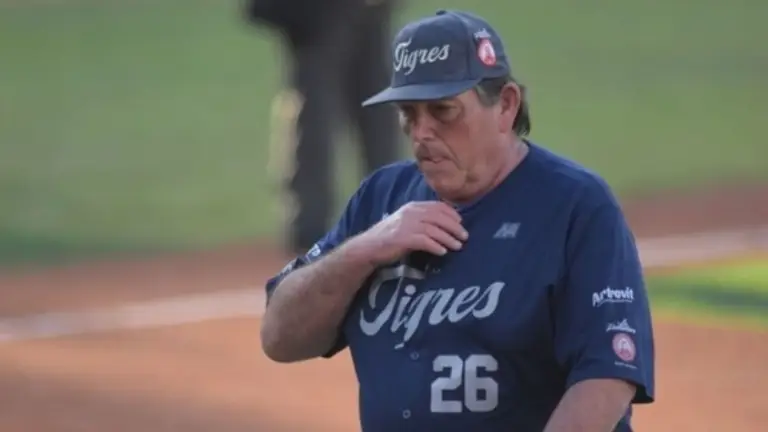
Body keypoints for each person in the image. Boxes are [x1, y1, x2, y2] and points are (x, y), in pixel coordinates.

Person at [260, 9, 655, 432]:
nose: (421, 132)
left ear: (505, 106)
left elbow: (606, 379)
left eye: (443, 110)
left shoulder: (576, 206)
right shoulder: (381, 199)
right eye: (409, 113)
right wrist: (365, 249)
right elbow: (279, 337)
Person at [245, 0, 402, 254]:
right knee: (316, 118)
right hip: (317, 15)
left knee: (380, 117)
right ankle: (309, 228)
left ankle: (390, 211)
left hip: (368, 12)